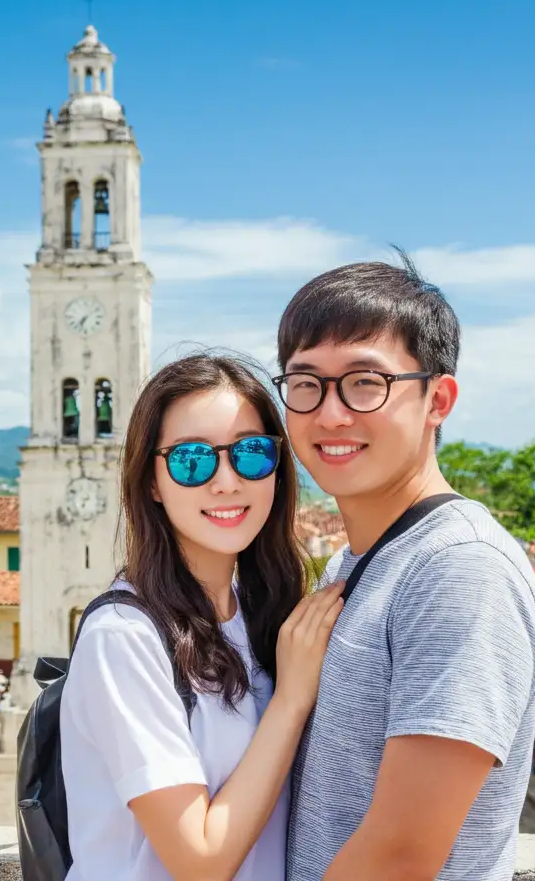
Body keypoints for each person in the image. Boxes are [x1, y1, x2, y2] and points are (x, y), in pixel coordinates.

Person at [278, 254, 535, 881]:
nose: (330, 413)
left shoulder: (459, 571)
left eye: (366, 383)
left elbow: (400, 856)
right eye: (305, 383)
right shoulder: (359, 564)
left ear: (438, 399)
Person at [60, 353, 343, 881]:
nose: (227, 481)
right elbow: (201, 860)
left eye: (252, 454)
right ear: (150, 480)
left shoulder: (262, 616)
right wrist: (291, 700)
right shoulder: (124, 638)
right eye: (193, 460)